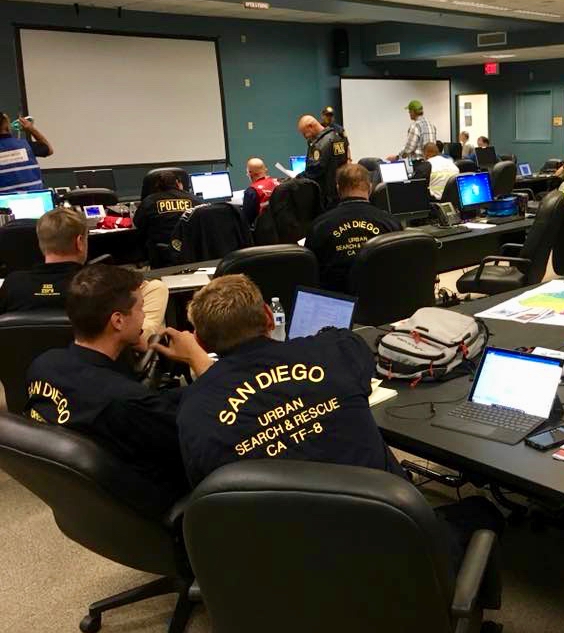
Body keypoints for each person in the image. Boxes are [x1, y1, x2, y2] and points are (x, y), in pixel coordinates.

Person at [159, 274, 504, 594]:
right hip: (394, 550)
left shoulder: (193, 412)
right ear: (268, 317)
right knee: (481, 511)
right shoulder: (331, 352)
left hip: (284, 572)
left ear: (199, 340)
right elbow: (355, 347)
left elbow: (210, 496)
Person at [24, 265, 212, 509]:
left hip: (89, 502)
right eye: (140, 308)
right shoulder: (125, 401)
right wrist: (198, 360)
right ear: (118, 321)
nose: (144, 317)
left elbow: (150, 405)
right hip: (160, 504)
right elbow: (204, 441)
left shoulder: (43, 365)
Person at [0, 208, 168, 341]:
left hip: (25, 372)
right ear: (80, 242)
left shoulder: (12, 283)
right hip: (95, 371)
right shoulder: (99, 283)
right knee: (156, 288)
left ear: (41, 243)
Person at [305, 163, 401, 292]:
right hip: (384, 297)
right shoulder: (391, 223)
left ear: (338, 189)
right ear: (370, 187)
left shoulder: (319, 226)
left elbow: (311, 273)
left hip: (338, 300)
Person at [133, 169, 201, 264]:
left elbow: (138, 223)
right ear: (178, 183)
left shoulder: (149, 201)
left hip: (161, 253)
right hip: (191, 251)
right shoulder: (195, 200)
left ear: (157, 186)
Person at [298, 113, 349, 211]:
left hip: (326, 196)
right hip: (339, 191)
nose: (305, 136)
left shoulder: (322, 143)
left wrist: (297, 179)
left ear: (311, 126)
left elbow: (315, 169)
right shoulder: (337, 137)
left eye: (304, 133)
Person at [0, 111, 53, 192]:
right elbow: (49, 150)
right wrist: (31, 129)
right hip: (36, 197)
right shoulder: (26, 145)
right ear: (5, 124)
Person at [240, 157, 280, 226]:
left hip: (264, 229)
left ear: (250, 173)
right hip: (282, 226)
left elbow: (246, 220)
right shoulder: (278, 183)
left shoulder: (251, 191)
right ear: (265, 170)